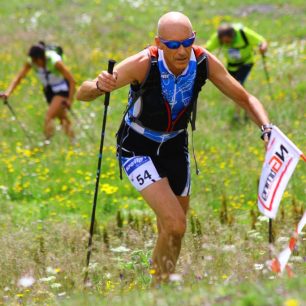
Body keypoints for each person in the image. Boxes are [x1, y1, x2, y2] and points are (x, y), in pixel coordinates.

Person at [77, 12, 272, 283]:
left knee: (173, 231)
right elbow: (81, 93)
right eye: (172, 45)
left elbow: (246, 98)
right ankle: (156, 290)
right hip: (138, 146)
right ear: (158, 43)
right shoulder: (143, 63)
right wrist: (99, 85)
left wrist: (266, 129)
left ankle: (161, 288)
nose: (181, 50)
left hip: (175, 145)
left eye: (187, 42)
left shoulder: (203, 61)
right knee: (175, 223)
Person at [0, 42, 75, 141]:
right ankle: (73, 141)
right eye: (33, 61)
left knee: (49, 117)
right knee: (62, 118)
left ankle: (46, 143)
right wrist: (8, 92)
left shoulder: (55, 62)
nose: (35, 64)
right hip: (49, 92)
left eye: (36, 61)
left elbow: (71, 80)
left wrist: (70, 100)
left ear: (41, 58)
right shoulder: (31, 62)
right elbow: (19, 78)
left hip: (62, 90)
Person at [206, 23, 268, 121]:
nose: (227, 43)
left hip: (246, 63)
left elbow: (261, 41)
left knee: (238, 85)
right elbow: (207, 49)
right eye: (224, 42)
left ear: (233, 36)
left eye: (228, 41)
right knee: (233, 87)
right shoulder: (218, 37)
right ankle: (246, 108)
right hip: (231, 65)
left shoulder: (244, 33)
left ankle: (239, 113)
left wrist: (263, 47)